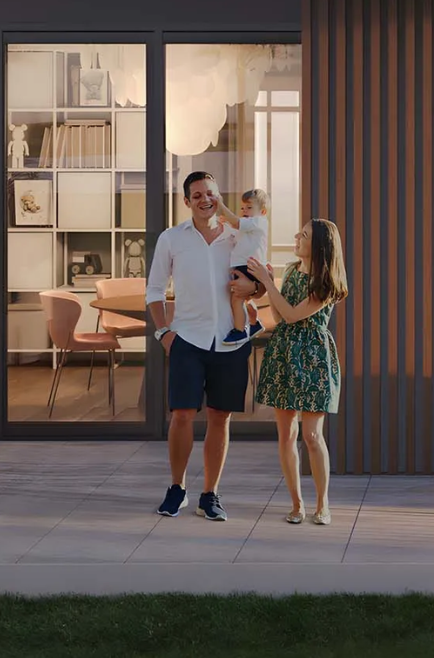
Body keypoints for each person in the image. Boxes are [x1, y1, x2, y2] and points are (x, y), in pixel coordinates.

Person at [147, 172, 252, 522]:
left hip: (230, 339)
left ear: (219, 196)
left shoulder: (239, 237)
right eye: (197, 195)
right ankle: (177, 488)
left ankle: (210, 494)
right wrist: (164, 332)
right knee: (181, 415)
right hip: (187, 339)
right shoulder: (171, 238)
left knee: (221, 417)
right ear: (186, 201)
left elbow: (259, 283)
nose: (204, 199)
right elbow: (155, 290)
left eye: (210, 193)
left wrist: (253, 291)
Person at [248, 219, 346, 526]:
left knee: (312, 435)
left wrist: (267, 281)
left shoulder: (326, 282)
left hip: (314, 357)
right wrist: (269, 288)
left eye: (303, 235)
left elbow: (292, 314)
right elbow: (280, 315)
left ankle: (322, 503)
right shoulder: (291, 271)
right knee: (286, 435)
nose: (296, 237)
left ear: (317, 245)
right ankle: (296, 504)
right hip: (284, 355)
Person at [219, 190, 271, 345]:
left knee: (237, 299)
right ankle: (254, 323)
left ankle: (240, 331)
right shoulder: (249, 228)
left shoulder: (259, 222)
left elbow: (236, 223)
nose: (244, 211)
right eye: (242, 208)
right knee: (245, 300)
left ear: (262, 211)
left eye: (249, 208)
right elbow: (235, 232)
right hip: (246, 266)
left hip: (249, 266)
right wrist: (227, 225)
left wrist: (221, 205)